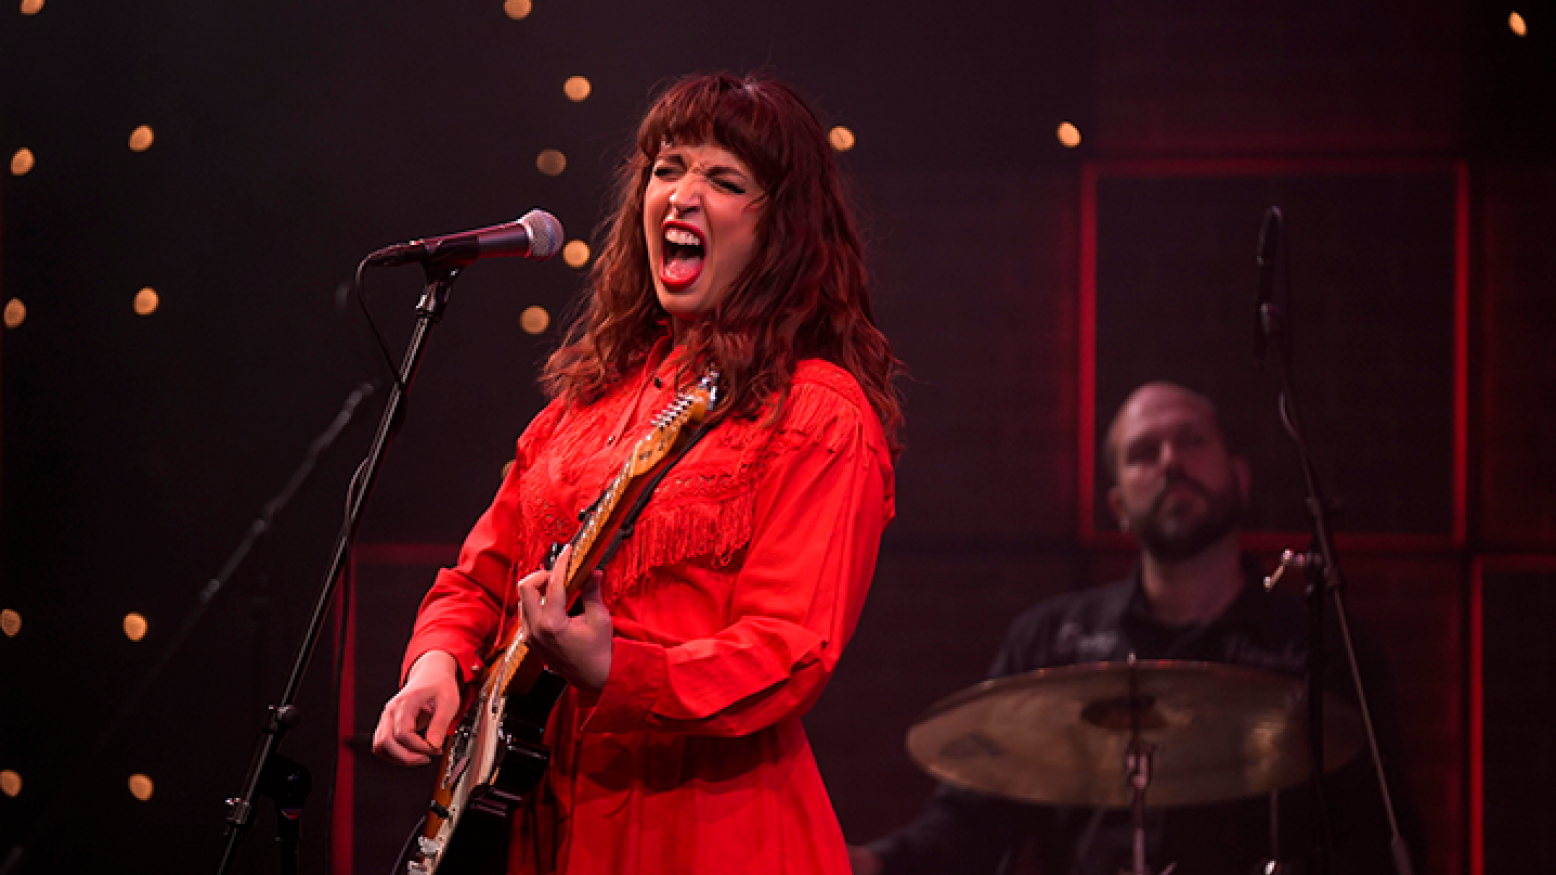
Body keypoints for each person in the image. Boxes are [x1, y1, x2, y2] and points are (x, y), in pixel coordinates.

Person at [372, 72, 900, 875]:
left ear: (783, 232)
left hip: (702, 832)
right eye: (667, 168)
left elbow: (788, 653)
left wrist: (616, 668)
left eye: (725, 181)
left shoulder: (820, 413)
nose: (682, 195)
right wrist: (434, 666)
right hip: (537, 825)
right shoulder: (584, 405)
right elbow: (477, 580)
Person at [851, 382, 1419, 875]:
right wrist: (875, 863)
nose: (1172, 460)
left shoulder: (1322, 642)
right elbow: (971, 822)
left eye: (1192, 440)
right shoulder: (1052, 640)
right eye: (1145, 452)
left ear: (1241, 478)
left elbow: (1378, 835)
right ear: (1119, 505)